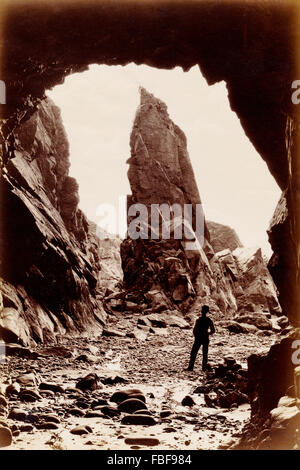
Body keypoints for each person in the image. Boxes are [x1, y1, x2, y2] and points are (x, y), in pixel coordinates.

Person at [186, 305, 215, 371]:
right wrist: (207, 333)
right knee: (205, 354)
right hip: (205, 338)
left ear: (201, 312)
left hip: (198, 338)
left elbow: (194, 330)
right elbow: (213, 330)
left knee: (194, 353)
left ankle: (190, 367)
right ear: (207, 312)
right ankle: (204, 368)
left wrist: (196, 336)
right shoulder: (209, 320)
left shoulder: (198, 320)